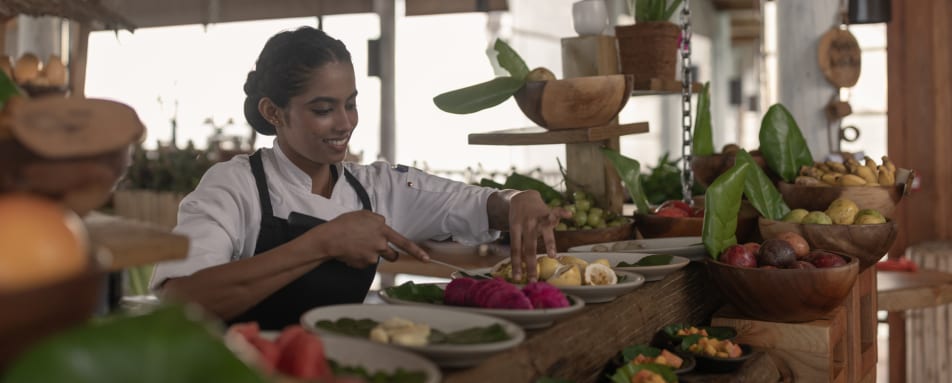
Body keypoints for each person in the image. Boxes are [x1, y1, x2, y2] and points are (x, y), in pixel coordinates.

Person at [150, 26, 569, 330]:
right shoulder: (235, 186)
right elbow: (180, 300)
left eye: (350, 104)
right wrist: (324, 242)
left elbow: (477, 204)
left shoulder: (373, 188)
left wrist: (516, 200)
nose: (345, 123)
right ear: (273, 112)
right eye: (323, 109)